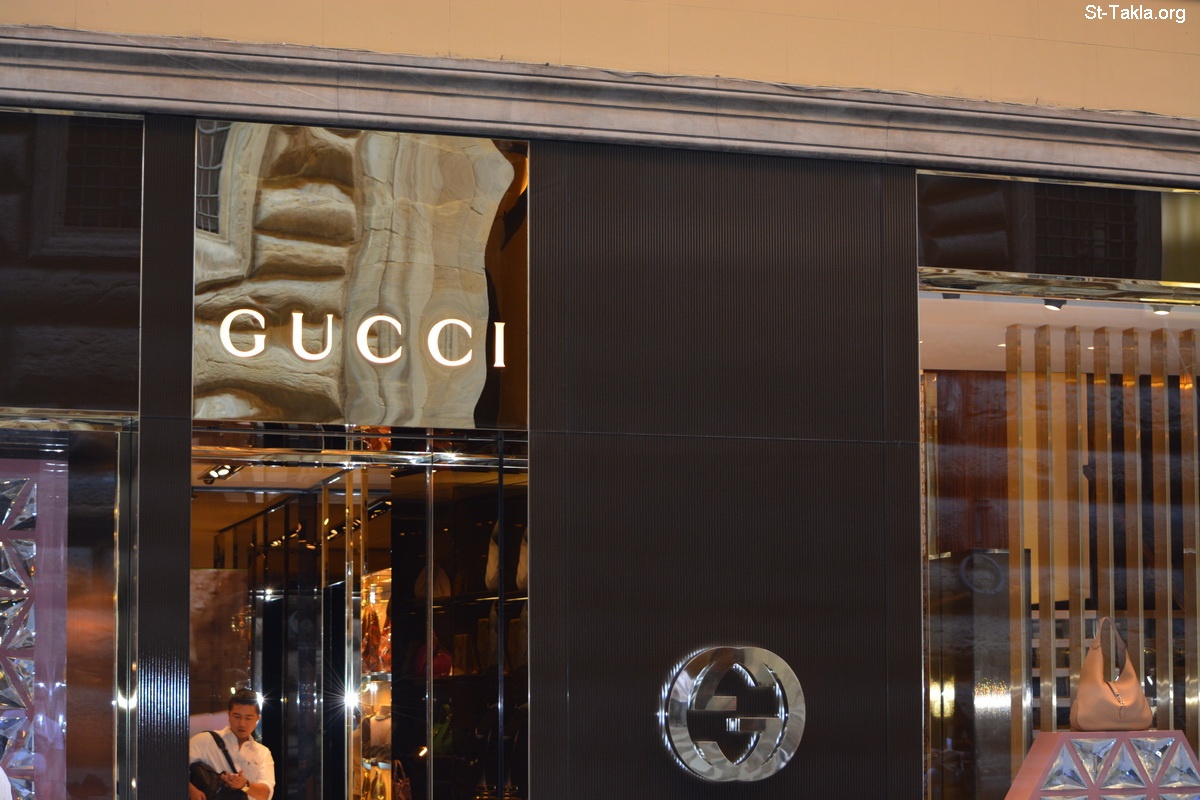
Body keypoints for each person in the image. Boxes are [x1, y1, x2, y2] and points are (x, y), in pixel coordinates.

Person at [188, 689, 275, 800]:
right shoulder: (206, 740)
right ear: (228, 714)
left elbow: (265, 794)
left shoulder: (263, 753)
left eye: (248, 718)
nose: (242, 723)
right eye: (237, 716)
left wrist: (244, 785)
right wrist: (190, 790)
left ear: (258, 718)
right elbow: (172, 767)